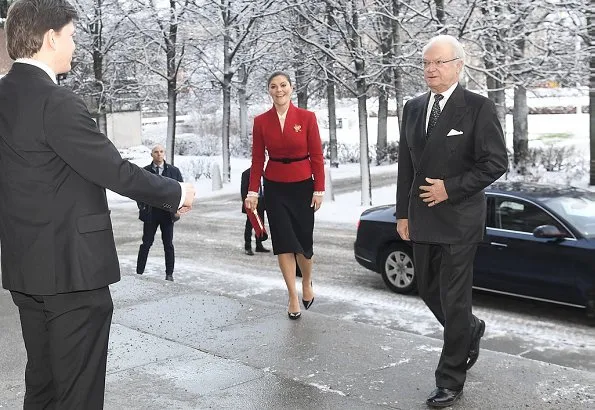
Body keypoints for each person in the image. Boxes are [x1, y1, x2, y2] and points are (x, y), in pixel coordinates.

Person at [0, 1, 195, 408]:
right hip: (73, 275)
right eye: (71, 36)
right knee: (78, 394)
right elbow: (114, 170)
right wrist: (174, 193)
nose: (74, 45)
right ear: (50, 38)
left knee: (43, 386)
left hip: (25, 270)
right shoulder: (57, 102)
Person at [396, 35, 508, 407]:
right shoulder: (412, 107)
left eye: (439, 63)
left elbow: (495, 163)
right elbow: (406, 167)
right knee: (428, 289)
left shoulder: (478, 107)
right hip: (423, 217)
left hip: (459, 218)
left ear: (458, 65)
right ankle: (470, 330)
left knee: (454, 300)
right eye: (426, 63)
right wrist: (402, 213)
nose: (430, 69)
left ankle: (450, 377)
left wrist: (451, 188)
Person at [245, 71, 324, 320]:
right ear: (269, 90)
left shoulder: (307, 118)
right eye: (273, 86)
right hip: (275, 186)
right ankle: (292, 295)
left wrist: (319, 189)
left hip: (302, 186)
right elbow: (258, 158)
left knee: (303, 245)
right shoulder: (261, 121)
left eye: (283, 85)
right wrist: (252, 191)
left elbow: (317, 156)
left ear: (291, 88)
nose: (279, 90)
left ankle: (307, 282)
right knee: (283, 245)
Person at [136, 144, 185, 281]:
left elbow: (181, 191)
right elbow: (138, 192)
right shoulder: (145, 171)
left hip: (167, 214)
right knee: (146, 243)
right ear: (152, 154)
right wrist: (142, 207)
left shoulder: (174, 171)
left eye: (161, 151)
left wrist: (177, 209)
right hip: (150, 214)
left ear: (164, 154)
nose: (159, 154)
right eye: (156, 152)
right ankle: (139, 272)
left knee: (168, 244)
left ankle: (169, 274)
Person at [241, 167, 270, 255]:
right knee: (250, 225)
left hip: (261, 202)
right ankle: (248, 246)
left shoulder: (263, 174)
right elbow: (243, 190)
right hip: (251, 203)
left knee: (260, 224)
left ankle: (259, 245)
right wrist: (247, 204)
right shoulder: (246, 174)